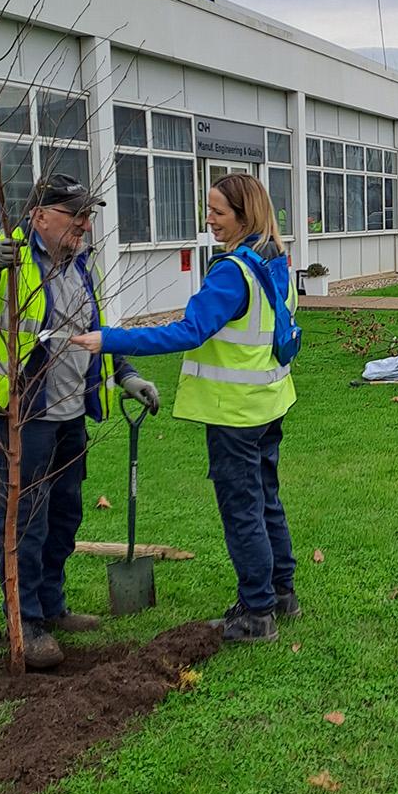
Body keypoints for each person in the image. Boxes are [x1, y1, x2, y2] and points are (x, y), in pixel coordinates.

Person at [0, 174, 159, 670]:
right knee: (23, 521)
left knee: (64, 515)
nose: (85, 224)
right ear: (39, 216)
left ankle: (52, 606)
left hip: (69, 414)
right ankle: (26, 622)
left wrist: (125, 374)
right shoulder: (3, 259)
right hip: (19, 418)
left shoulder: (80, 264)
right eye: (75, 215)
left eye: (88, 215)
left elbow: (89, 329)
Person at [73, 175, 299, 644]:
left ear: (244, 213)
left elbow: (187, 332)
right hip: (269, 404)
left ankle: (257, 614)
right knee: (267, 501)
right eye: (208, 209)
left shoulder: (232, 271)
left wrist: (111, 340)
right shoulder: (274, 258)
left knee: (244, 510)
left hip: (235, 414)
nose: (209, 220)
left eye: (217, 212)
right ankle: (281, 594)